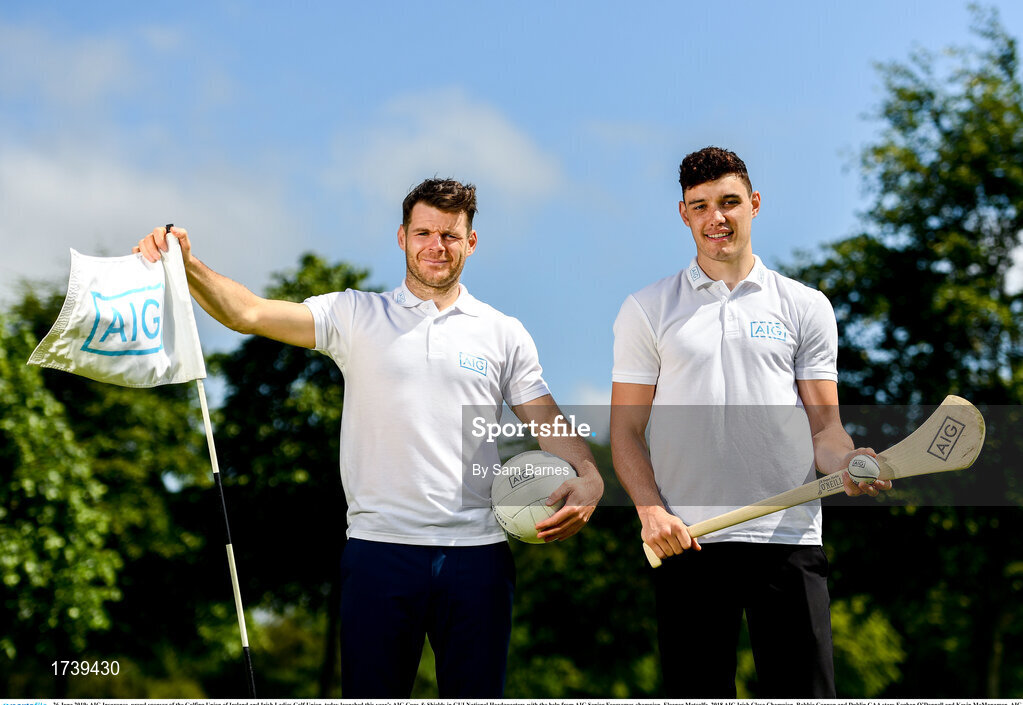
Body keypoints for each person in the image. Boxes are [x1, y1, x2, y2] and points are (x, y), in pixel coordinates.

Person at [135, 178, 603, 698]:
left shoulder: (502, 332)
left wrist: (590, 477)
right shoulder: (355, 314)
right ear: (402, 237)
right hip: (380, 552)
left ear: (471, 242)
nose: (436, 246)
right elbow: (247, 313)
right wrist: (187, 264)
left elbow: (546, 420)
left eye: (450, 235)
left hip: (478, 557)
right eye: (424, 232)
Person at [609, 147, 890, 698]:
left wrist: (848, 461)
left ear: (754, 205)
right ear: (684, 214)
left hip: (789, 538)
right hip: (689, 543)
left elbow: (826, 431)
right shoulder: (646, 309)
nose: (717, 217)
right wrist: (649, 511)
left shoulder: (805, 306)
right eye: (702, 206)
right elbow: (624, 433)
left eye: (730, 202)